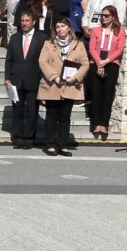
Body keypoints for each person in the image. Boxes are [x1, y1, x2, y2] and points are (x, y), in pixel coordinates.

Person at [38, 18, 88, 156]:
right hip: (53, 84)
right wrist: (54, 76)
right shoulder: (48, 44)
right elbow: (42, 62)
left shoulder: (78, 44)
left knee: (65, 116)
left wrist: (76, 77)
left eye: (62, 26)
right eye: (57, 26)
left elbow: (85, 64)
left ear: (69, 28)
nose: (59, 29)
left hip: (70, 85)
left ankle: (63, 144)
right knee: (52, 114)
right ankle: (50, 144)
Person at [4, 10, 47, 150]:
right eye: (22, 21)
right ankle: (18, 137)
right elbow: (9, 60)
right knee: (17, 110)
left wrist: (44, 80)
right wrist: (7, 78)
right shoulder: (15, 38)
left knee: (32, 111)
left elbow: (45, 60)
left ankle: (29, 138)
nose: (24, 23)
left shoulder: (42, 38)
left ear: (33, 21)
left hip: (34, 80)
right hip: (16, 80)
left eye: (27, 21)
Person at [86, 5, 126, 139]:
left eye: (106, 15)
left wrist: (106, 61)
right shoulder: (96, 30)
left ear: (113, 17)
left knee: (108, 95)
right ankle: (96, 123)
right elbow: (91, 48)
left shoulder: (119, 31)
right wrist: (99, 62)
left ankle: (104, 124)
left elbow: (119, 50)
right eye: (102, 15)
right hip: (96, 63)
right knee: (96, 94)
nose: (103, 18)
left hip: (111, 64)